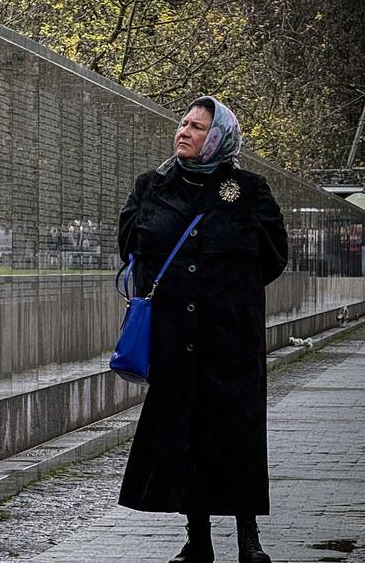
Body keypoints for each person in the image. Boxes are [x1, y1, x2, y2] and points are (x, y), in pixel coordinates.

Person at [116, 96, 288, 563]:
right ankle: (199, 540)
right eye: (184, 123)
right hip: (175, 336)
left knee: (236, 434)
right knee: (185, 435)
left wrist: (227, 292)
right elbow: (131, 245)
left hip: (229, 335)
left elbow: (273, 255)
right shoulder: (153, 185)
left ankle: (249, 539)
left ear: (217, 138)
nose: (185, 132)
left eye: (197, 127)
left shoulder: (247, 189)